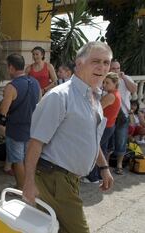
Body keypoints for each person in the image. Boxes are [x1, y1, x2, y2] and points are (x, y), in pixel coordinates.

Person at [22, 41, 114, 233]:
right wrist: (28, 183)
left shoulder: (94, 98)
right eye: (95, 61)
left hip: (71, 180)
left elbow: (90, 139)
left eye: (106, 62)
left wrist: (103, 167)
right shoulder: (60, 96)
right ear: (79, 63)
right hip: (54, 179)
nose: (102, 67)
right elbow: (35, 143)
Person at [0, 54, 40, 189]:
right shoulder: (35, 82)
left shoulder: (11, 87)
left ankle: (22, 189)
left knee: (17, 160)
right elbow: (38, 103)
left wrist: (0, 124)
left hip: (16, 129)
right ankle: (30, 185)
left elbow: (3, 110)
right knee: (28, 159)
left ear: (11, 67)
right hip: (32, 127)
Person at [84, 72, 121, 183]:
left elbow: (96, 108)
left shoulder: (110, 95)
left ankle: (93, 177)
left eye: (107, 83)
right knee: (102, 150)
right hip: (109, 126)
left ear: (115, 84)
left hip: (105, 127)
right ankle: (100, 175)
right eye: (104, 82)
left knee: (95, 150)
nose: (104, 85)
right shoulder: (115, 93)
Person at [110, 59, 137, 175]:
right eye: (113, 68)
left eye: (118, 68)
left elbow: (134, 90)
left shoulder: (126, 79)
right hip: (110, 115)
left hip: (123, 115)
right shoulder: (106, 79)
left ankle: (119, 165)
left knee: (121, 140)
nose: (116, 70)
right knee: (108, 141)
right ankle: (105, 165)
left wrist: (124, 78)